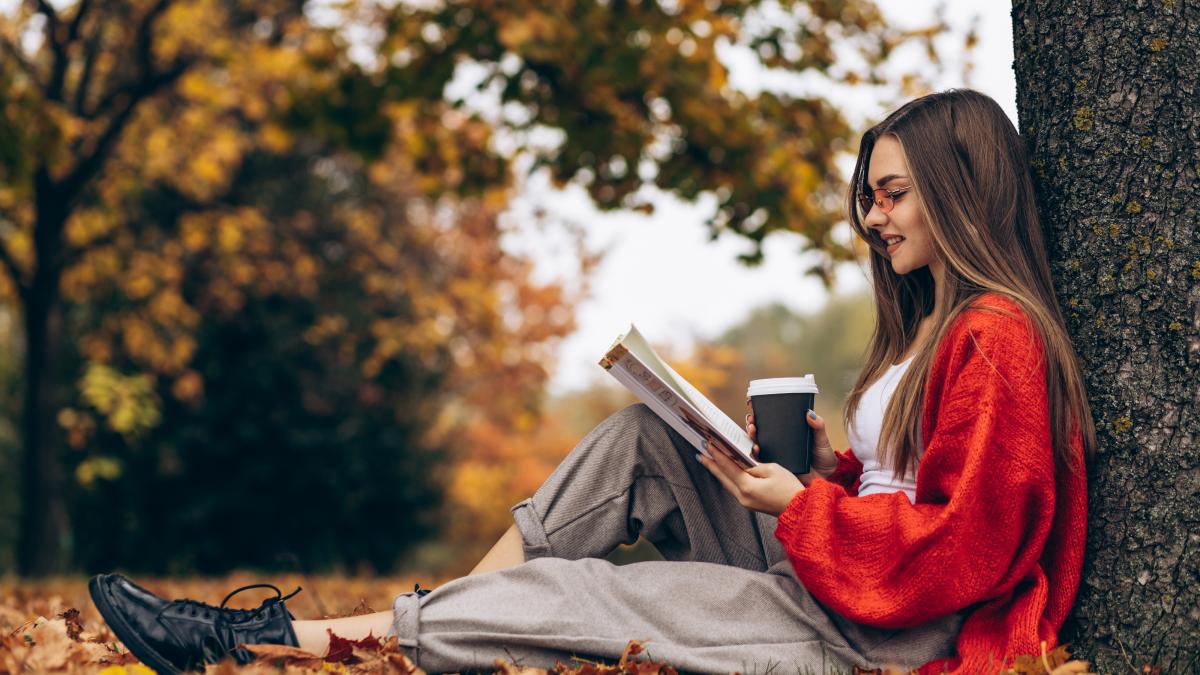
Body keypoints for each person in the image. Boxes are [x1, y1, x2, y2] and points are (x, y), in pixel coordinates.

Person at [87, 88, 1097, 675]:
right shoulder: (935, 330)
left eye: (893, 195)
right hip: (844, 579)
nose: (873, 219)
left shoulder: (997, 335)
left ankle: (263, 642)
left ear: (962, 192)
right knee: (646, 439)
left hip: (884, 636)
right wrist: (814, 472)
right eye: (866, 198)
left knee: (582, 593)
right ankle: (427, 619)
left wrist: (799, 506)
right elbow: (908, 497)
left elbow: (960, 553)